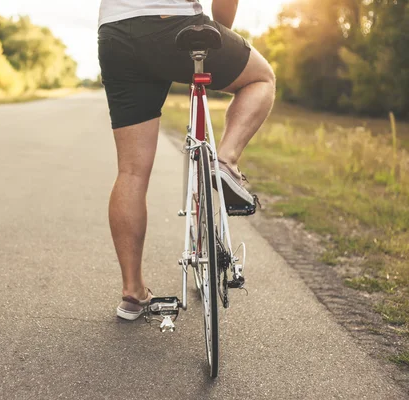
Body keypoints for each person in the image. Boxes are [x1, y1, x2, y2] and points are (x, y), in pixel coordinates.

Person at [97, 0, 276, 320]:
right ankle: (225, 161)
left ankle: (133, 292)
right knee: (261, 79)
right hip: (177, 25)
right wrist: (223, 30)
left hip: (116, 34)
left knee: (131, 171)